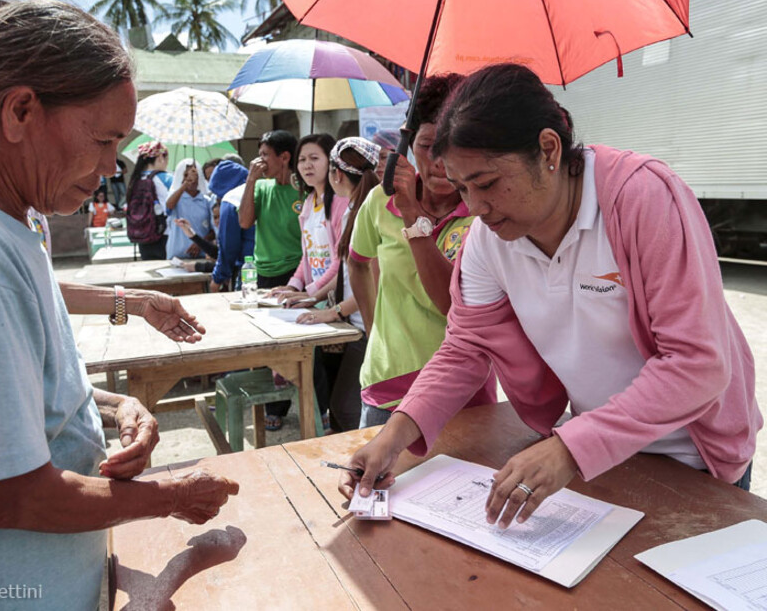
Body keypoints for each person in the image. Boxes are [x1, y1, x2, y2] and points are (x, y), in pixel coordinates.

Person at [0, 0, 238, 609]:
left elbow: (21, 366)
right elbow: (15, 497)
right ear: (21, 111)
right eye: (103, 140)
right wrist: (174, 496)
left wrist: (113, 403)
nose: (110, 167)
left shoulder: (5, 221)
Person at [339, 63, 762, 529]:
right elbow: (466, 346)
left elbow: (697, 363)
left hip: (692, 457)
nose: (476, 208)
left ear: (548, 149)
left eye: (486, 183)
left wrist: (570, 447)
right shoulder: (488, 238)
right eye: (463, 189)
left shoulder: (641, 200)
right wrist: (394, 435)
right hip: (598, 457)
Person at [348, 74, 496, 428]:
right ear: (409, 145)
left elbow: (453, 305)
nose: (440, 161)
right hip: (388, 388)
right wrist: (374, 332)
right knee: (375, 483)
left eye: (454, 145)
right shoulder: (380, 201)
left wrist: (413, 216)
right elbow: (357, 263)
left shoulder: (485, 214)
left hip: (463, 393)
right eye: (428, 145)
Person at [296, 137, 381, 431]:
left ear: (337, 174)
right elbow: (344, 270)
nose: (307, 165)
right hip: (357, 322)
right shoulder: (353, 209)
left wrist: (335, 311)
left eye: (315, 159)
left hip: (368, 325)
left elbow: (372, 280)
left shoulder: (367, 212)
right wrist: (311, 295)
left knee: (347, 408)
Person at [238, 130, 305, 429]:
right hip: (265, 274)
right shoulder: (261, 187)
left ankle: (315, 404)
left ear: (285, 157)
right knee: (271, 344)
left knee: (299, 342)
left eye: (265, 154)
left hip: (295, 275)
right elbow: (244, 221)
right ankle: (276, 406)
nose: (260, 160)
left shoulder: (303, 191)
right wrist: (251, 180)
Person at [272, 133, 348, 308]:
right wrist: (293, 286)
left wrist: (310, 293)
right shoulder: (309, 201)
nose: (307, 165)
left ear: (331, 162)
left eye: (314, 158)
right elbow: (308, 255)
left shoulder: (341, 201)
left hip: (339, 300)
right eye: (302, 159)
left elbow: (340, 262)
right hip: (317, 299)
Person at [208, 159, 255, 292]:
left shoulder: (231, 199)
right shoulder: (264, 189)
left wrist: (218, 278)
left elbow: (228, 246)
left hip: (249, 269)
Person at [126, 140, 172, 260]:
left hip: (142, 235)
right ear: (161, 157)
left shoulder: (135, 180)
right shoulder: (166, 178)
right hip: (164, 233)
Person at [166, 158, 212, 259]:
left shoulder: (206, 201)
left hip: (202, 254)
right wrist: (185, 184)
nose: (191, 178)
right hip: (177, 255)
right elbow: (169, 206)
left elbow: (213, 230)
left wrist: (200, 243)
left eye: (194, 174)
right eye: (185, 175)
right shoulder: (176, 198)